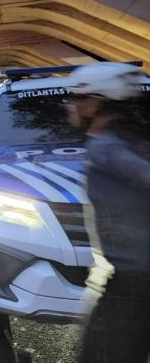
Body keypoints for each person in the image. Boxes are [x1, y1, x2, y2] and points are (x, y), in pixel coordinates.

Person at [65, 62, 150, 363]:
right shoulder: (135, 137)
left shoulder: (107, 148)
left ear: (95, 103)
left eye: (76, 97)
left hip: (133, 282)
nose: (70, 105)